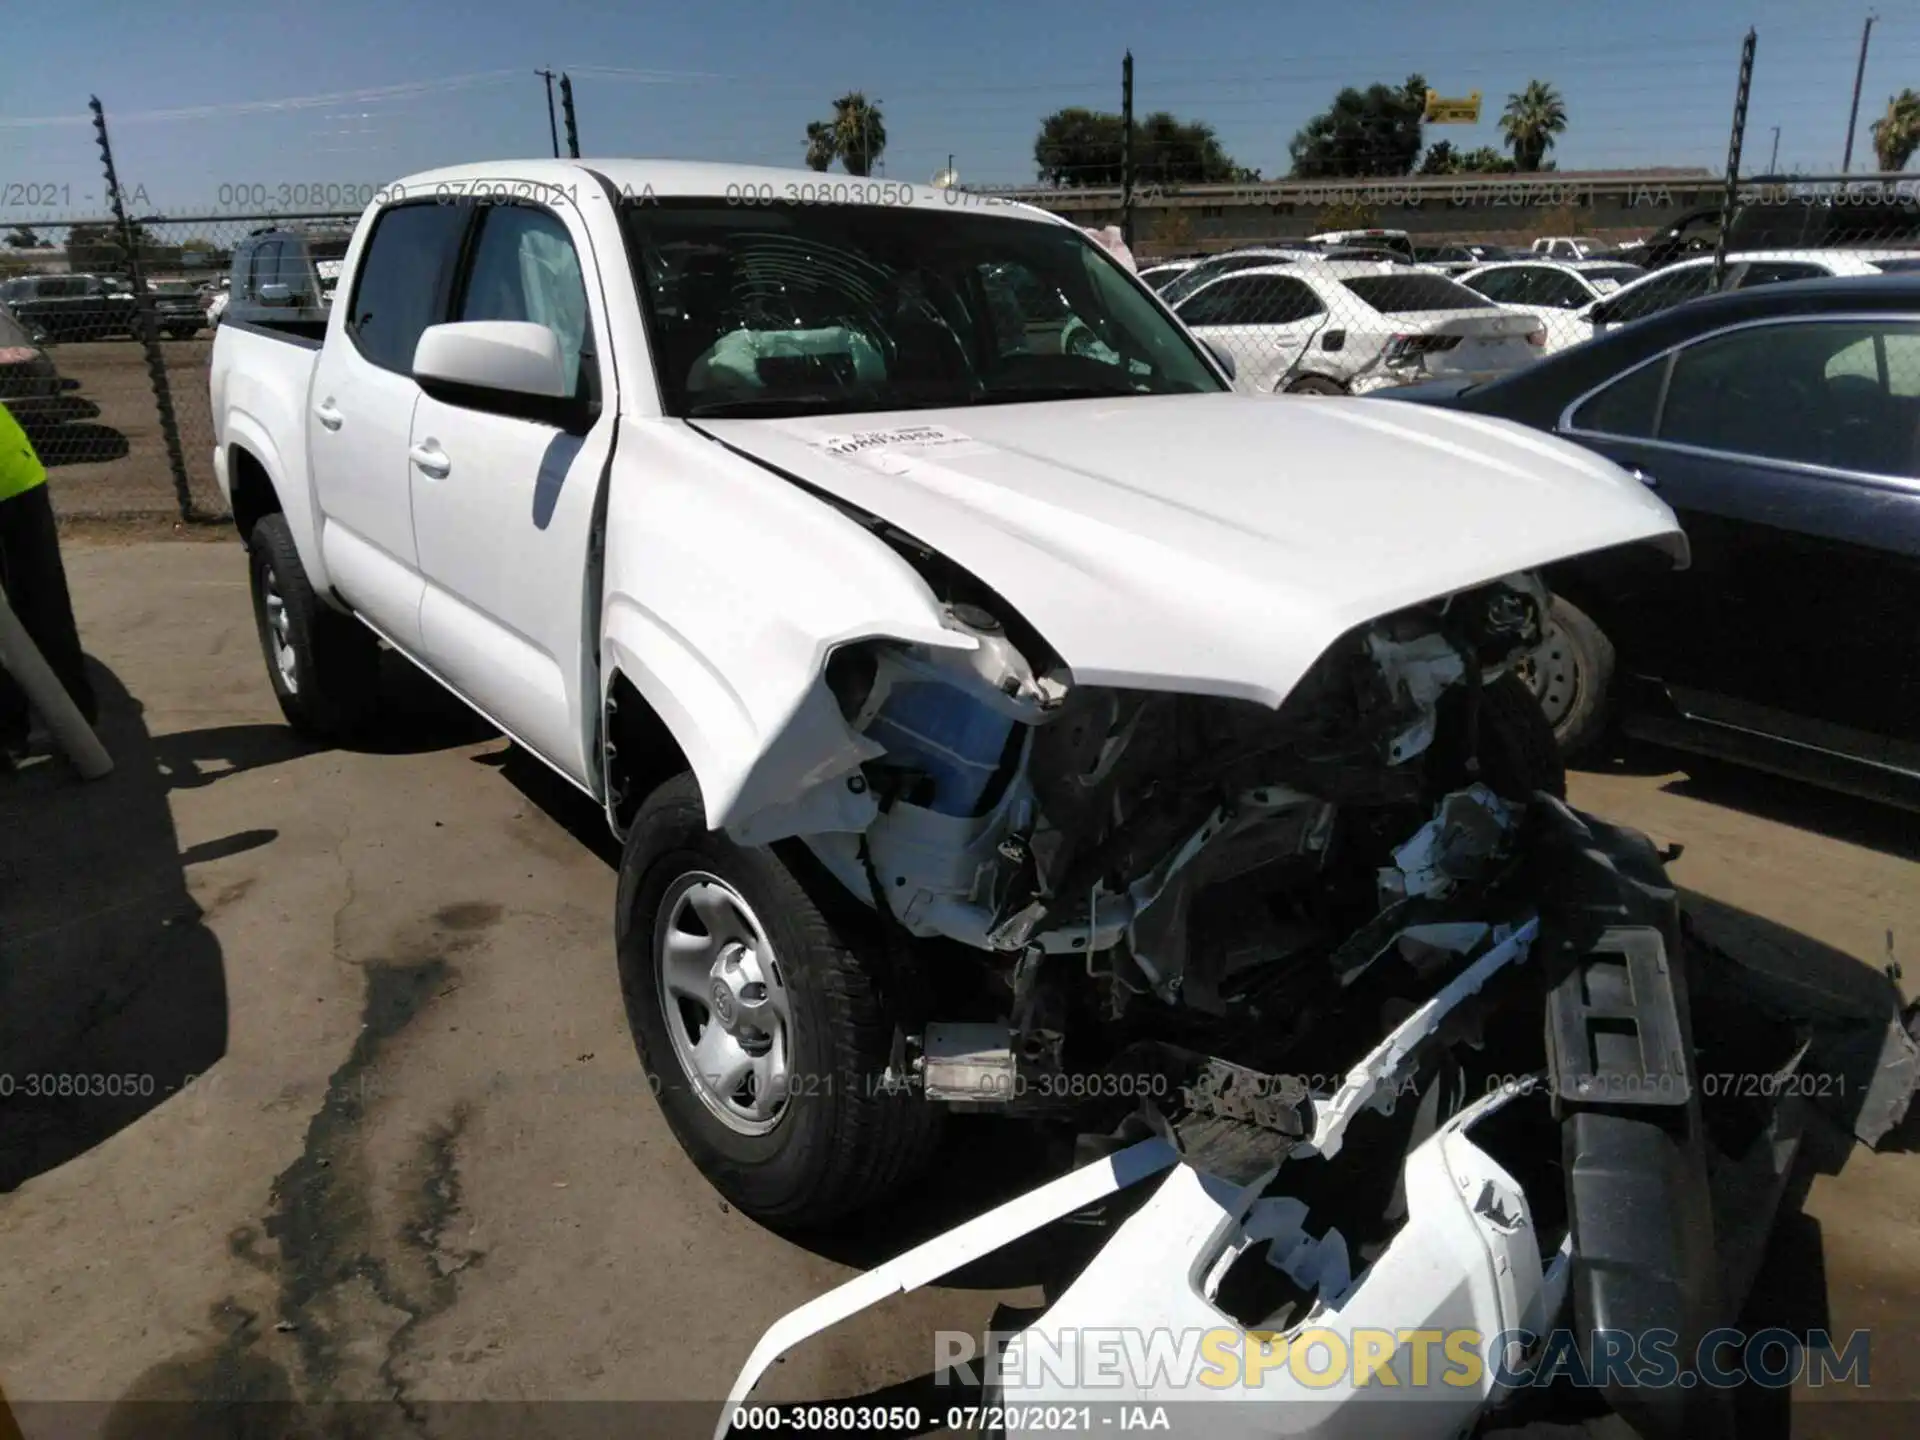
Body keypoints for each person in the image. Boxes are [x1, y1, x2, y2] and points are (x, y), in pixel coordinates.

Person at [0, 401, 96, 762]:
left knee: (40, 607)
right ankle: (11, 731)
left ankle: (73, 724)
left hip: (12, 483)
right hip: (16, 476)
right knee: (37, 609)